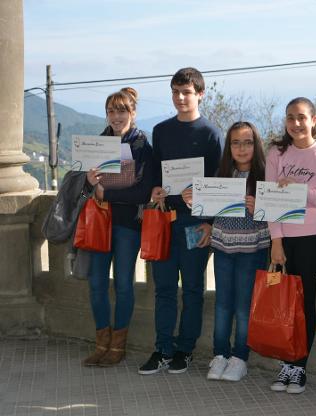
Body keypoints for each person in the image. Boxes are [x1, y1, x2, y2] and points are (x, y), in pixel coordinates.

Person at [138, 67, 222, 375]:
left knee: (192, 289)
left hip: (195, 223)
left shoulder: (211, 133)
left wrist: (210, 223)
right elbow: (156, 174)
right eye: (175, 91)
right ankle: (162, 348)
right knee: (163, 288)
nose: (180, 97)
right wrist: (156, 189)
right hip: (165, 220)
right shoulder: (161, 130)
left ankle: (184, 350)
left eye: (186, 92)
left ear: (200, 94)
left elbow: (217, 181)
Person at [181, 121, 269, 382]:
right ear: (228, 147)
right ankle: (220, 354)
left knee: (243, 306)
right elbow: (209, 212)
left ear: (256, 145)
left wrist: (260, 206)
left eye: (247, 142)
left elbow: (277, 214)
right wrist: (192, 200)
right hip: (222, 246)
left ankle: (240, 357)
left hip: (252, 249)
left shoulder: (265, 175)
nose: (241, 148)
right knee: (222, 304)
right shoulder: (221, 174)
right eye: (235, 143)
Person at [266, 97, 316, 394]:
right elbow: (270, 201)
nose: (295, 124)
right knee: (285, 302)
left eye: (301, 117)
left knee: (305, 302)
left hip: (315, 238)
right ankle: (286, 362)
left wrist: (304, 191)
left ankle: (299, 367)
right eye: (290, 118)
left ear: (314, 120)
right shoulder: (276, 153)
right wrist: (276, 241)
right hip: (283, 240)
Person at [82, 87, 154, 367]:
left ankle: (118, 346)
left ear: (133, 113)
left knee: (124, 285)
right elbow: (84, 187)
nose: (116, 116)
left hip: (127, 226)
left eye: (122, 110)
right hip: (98, 223)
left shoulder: (142, 147)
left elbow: (142, 193)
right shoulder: (98, 144)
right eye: (111, 111)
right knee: (97, 284)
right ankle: (101, 343)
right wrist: (89, 181)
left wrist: (106, 193)